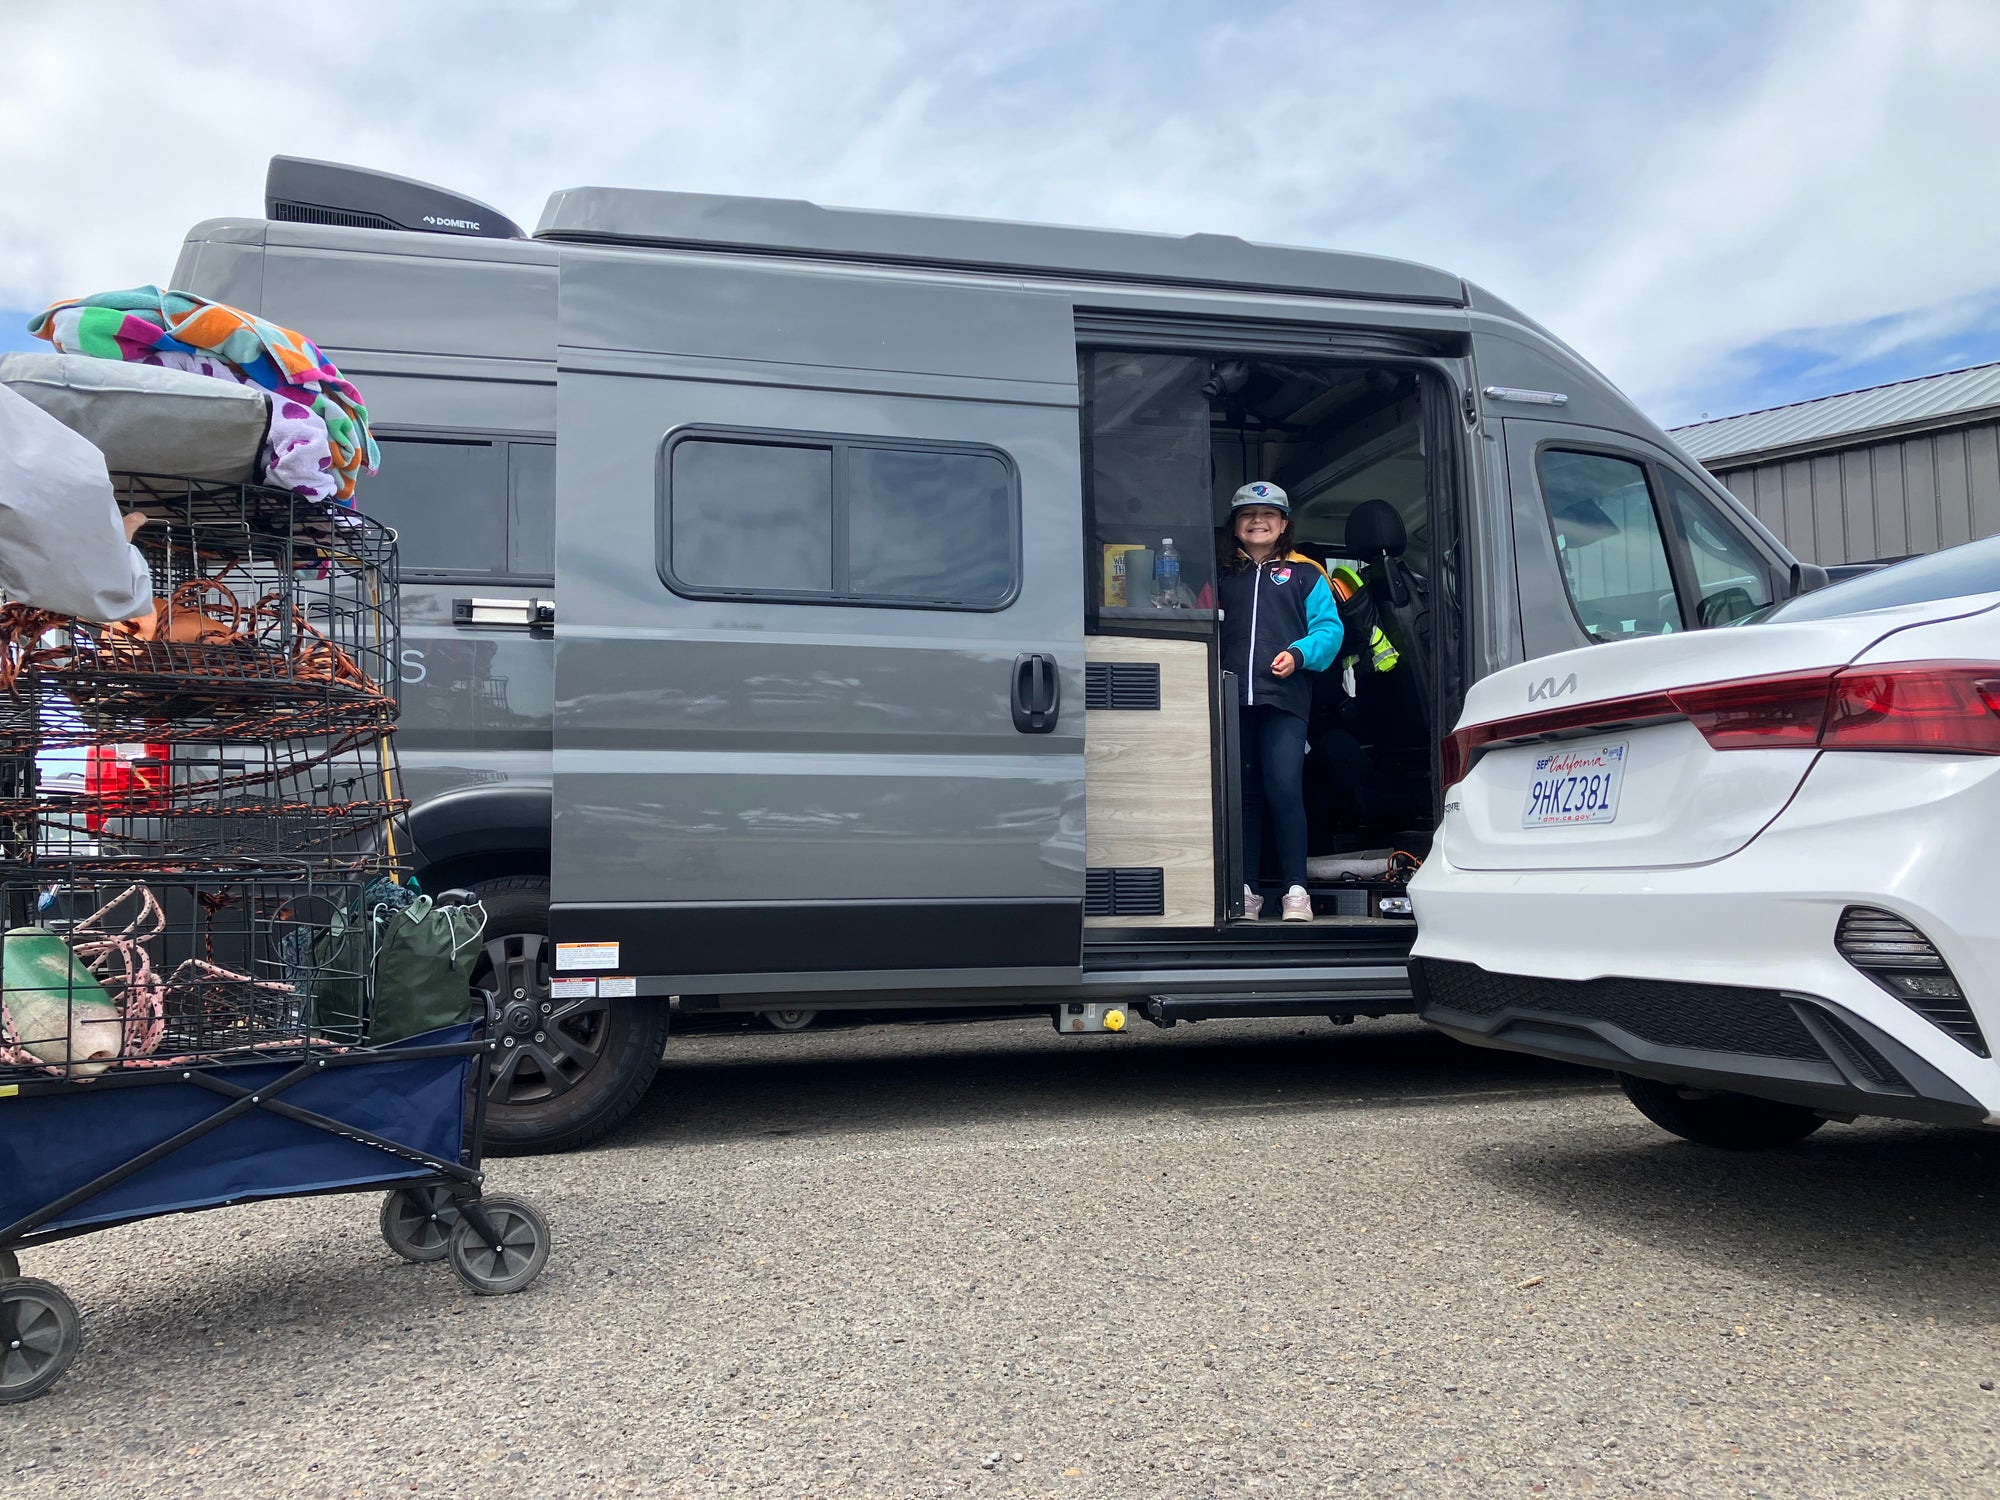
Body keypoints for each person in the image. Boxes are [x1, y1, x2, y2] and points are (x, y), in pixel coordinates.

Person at [1214, 482, 1343, 921]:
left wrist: (1299, 653)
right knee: (1242, 796)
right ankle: (1247, 890)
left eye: (1268, 515)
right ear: (1235, 526)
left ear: (1284, 524)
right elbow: (1198, 628)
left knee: (1284, 789)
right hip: (1230, 701)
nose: (1257, 522)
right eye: (1247, 514)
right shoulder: (1220, 577)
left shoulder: (1305, 574)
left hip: (1284, 700)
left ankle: (1295, 892)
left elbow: (1330, 631)